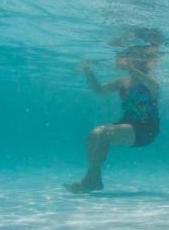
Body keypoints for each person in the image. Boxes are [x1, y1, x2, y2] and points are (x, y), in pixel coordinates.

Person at [64, 46, 160, 193]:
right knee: (93, 135)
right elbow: (99, 90)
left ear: (142, 63)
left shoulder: (149, 82)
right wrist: (87, 70)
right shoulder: (123, 82)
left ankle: (90, 180)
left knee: (105, 134)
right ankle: (94, 179)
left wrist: (129, 68)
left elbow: (154, 87)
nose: (129, 61)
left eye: (134, 59)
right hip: (126, 124)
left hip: (146, 129)